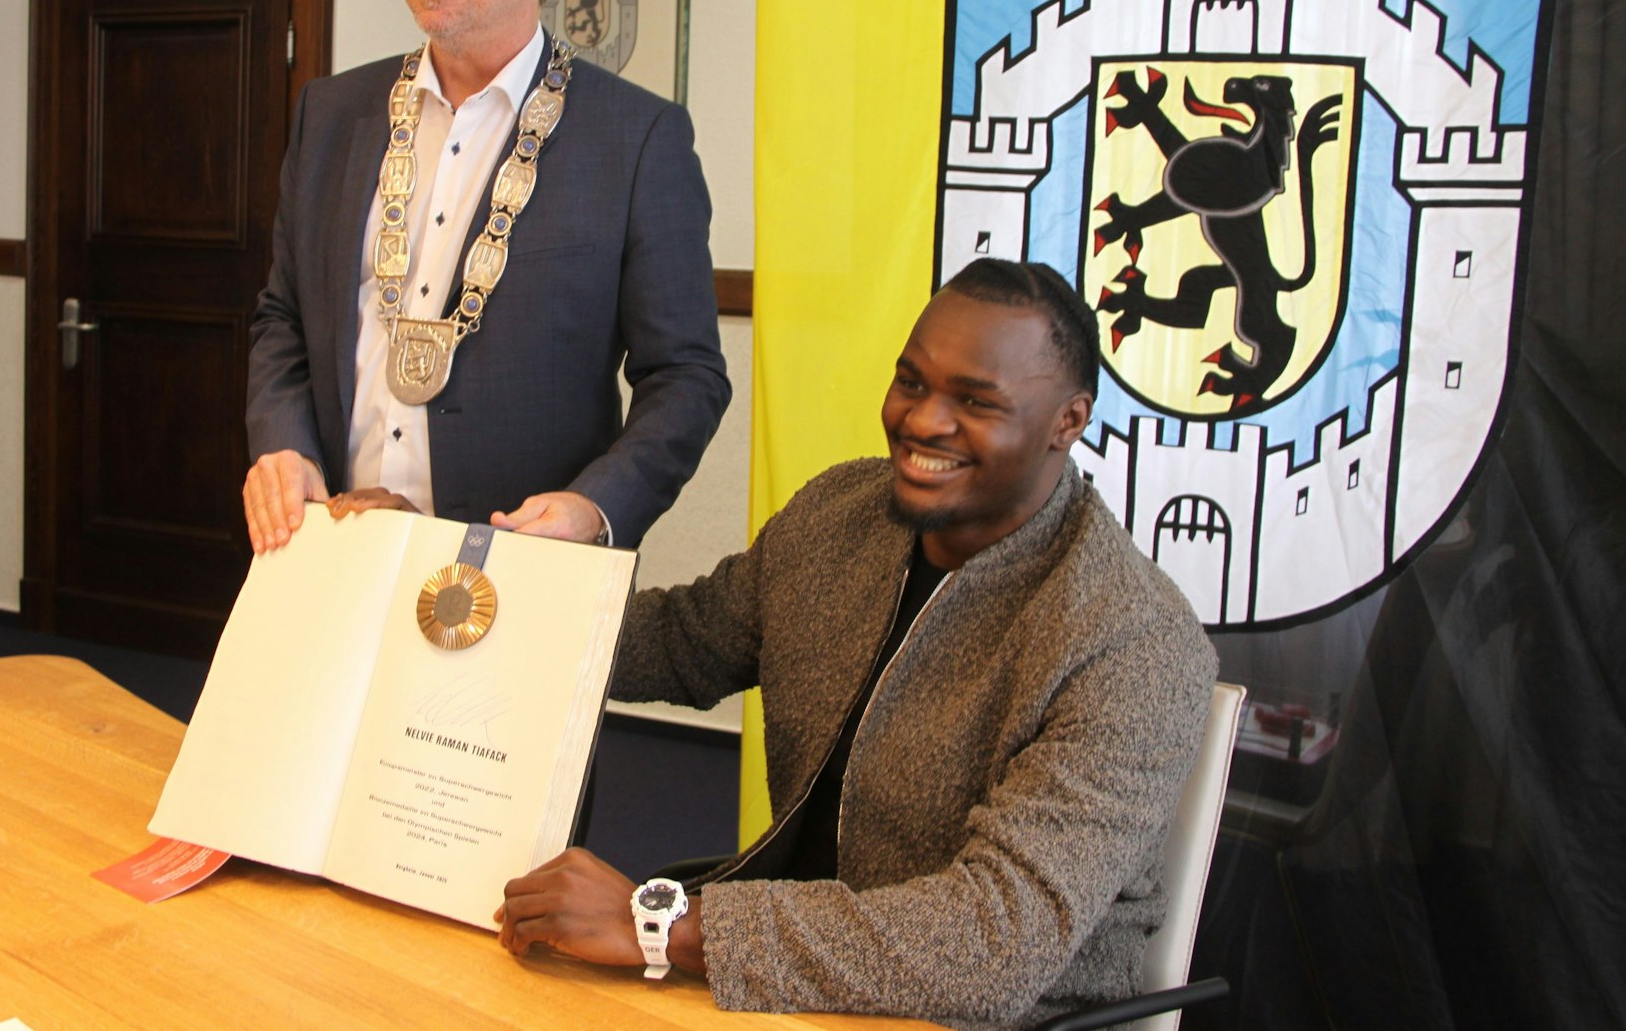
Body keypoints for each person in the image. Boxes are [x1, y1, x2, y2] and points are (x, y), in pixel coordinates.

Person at [494, 258, 1218, 1030]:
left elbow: (992, 943)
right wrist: (446, 576)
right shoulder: (844, 510)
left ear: (1068, 422)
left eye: (975, 401)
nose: (923, 422)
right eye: (912, 382)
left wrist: (664, 927)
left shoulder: (1135, 642)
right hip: (787, 986)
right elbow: (681, 641)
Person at [242, 0, 729, 553]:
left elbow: (687, 376)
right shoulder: (330, 113)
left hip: (520, 563)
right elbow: (282, 319)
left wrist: (595, 508)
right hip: (332, 542)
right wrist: (283, 445)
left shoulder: (636, 139)